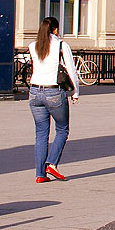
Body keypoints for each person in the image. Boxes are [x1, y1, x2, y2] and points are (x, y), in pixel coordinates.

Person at [28, 16, 80, 183]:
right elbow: (71, 70)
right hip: (54, 92)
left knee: (41, 133)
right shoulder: (61, 46)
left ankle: (40, 174)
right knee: (62, 129)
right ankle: (52, 163)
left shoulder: (32, 46)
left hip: (35, 92)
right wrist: (75, 92)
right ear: (55, 29)